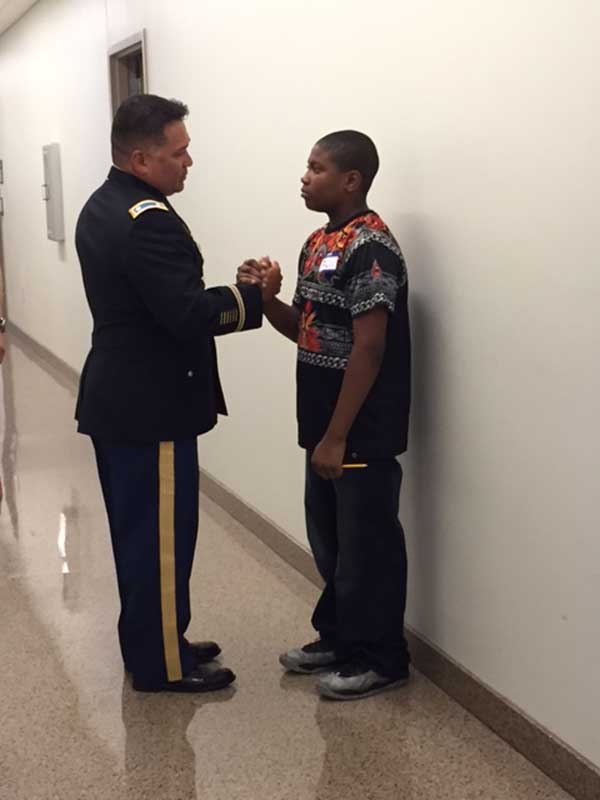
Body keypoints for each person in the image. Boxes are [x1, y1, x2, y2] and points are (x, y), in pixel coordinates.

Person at [75, 93, 281, 693]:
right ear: (142, 159)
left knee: (140, 534)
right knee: (158, 540)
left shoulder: (104, 202)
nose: (189, 161)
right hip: (150, 406)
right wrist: (254, 298)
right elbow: (185, 314)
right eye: (179, 152)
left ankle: (159, 637)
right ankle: (160, 665)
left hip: (123, 398)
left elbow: (154, 299)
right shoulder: (147, 219)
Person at [239, 130, 410, 700]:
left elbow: (370, 347)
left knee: (369, 549)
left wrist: (338, 436)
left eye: (316, 168)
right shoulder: (318, 241)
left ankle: (382, 658)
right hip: (322, 426)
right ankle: (339, 637)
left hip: (359, 429)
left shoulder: (373, 246)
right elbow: (307, 333)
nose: (304, 176)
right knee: (332, 544)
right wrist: (266, 300)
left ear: (351, 180)